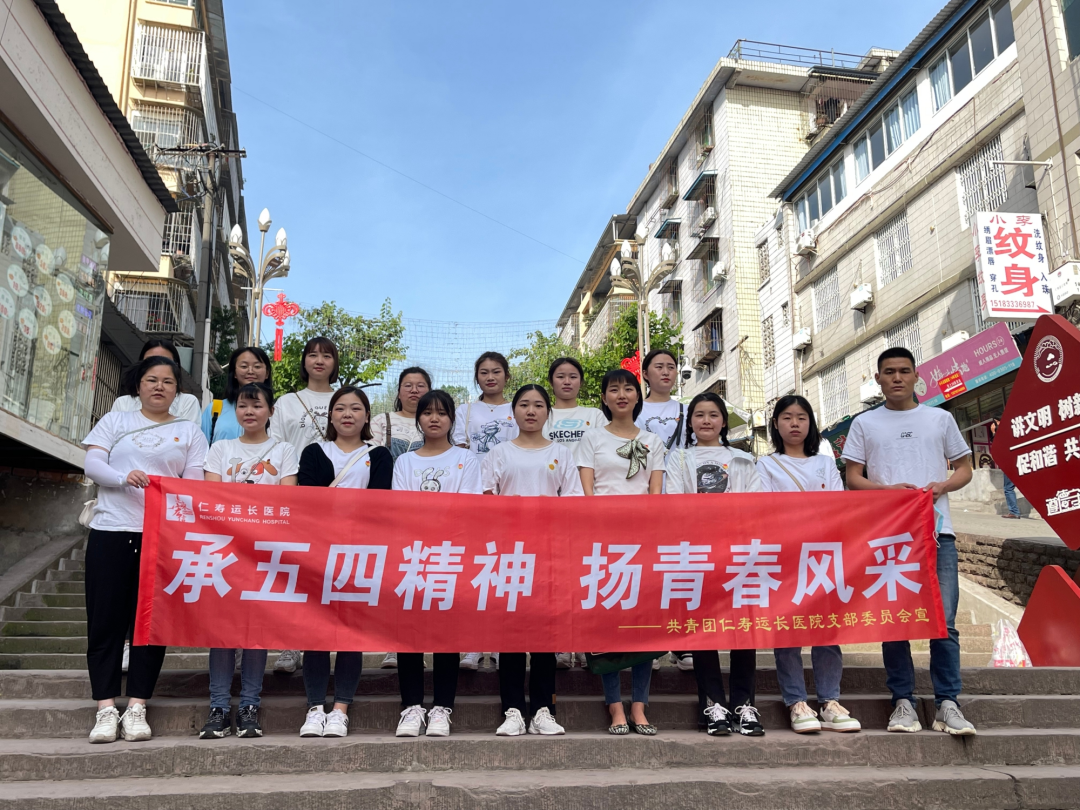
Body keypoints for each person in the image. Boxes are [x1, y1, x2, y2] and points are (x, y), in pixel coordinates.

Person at [843, 346, 976, 736]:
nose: (897, 378)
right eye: (889, 372)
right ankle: (902, 702)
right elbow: (853, 478)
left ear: (917, 376)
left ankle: (948, 703)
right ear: (878, 379)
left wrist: (942, 486)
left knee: (944, 621)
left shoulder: (940, 418)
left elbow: (964, 468)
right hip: (888, 537)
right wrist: (887, 492)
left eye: (904, 371)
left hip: (938, 532)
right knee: (894, 619)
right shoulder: (865, 423)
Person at [82, 356, 208, 744]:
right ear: (138, 386)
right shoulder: (115, 421)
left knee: (150, 625)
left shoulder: (189, 430)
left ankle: (137, 705)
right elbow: (92, 463)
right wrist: (123, 477)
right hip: (111, 530)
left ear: (177, 390)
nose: (159, 387)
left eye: (168, 382)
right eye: (151, 380)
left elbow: (193, 484)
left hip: (161, 538)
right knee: (105, 622)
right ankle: (105, 708)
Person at [199, 382, 298, 740]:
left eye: (257, 405)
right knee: (222, 629)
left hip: (265, 550)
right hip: (225, 548)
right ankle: (218, 706)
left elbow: (287, 500)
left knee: (256, 628)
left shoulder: (284, 450)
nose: (249, 411)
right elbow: (212, 496)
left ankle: (250, 705)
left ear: (271, 411)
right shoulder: (220, 449)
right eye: (243, 405)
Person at [757, 395, 861, 734]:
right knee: (787, 628)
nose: (795, 423)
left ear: (811, 423)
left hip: (821, 555)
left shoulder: (825, 464)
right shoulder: (766, 465)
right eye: (787, 417)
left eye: (801, 417)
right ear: (776, 424)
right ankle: (796, 701)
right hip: (784, 556)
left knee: (826, 627)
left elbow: (837, 508)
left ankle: (830, 700)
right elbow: (766, 510)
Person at [482, 384, 582, 736]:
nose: (531, 411)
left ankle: (543, 710)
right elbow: (486, 503)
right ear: (513, 412)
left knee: (545, 637)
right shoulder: (498, 453)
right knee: (510, 637)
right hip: (509, 556)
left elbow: (573, 502)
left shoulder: (561, 453)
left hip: (549, 555)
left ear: (547, 413)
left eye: (538, 405)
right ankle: (512, 710)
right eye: (524, 404)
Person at [296, 386, 393, 738]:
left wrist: (338, 507)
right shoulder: (313, 452)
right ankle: (314, 707)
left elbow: (378, 504)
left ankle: (340, 709)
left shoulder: (378, 455)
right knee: (316, 630)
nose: (347, 414)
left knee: (351, 630)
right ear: (331, 416)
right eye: (340, 408)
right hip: (318, 551)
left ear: (367, 416)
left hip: (359, 552)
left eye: (355, 408)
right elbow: (308, 500)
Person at [666, 392, 765, 737]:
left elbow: (756, 505)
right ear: (690, 422)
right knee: (703, 627)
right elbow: (674, 503)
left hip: (738, 553)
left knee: (744, 628)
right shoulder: (678, 458)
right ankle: (713, 704)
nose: (706, 421)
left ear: (724, 421)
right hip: (696, 553)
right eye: (699, 415)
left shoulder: (742, 459)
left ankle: (744, 704)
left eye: (713, 414)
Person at [575, 369, 664, 735]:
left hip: (642, 540)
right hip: (602, 542)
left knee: (643, 625)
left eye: (629, 388)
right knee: (607, 624)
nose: (622, 394)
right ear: (604, 398)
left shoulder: (653, 440)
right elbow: (587, 491)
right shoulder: (591, 438)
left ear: (638, 396)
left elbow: (655, 493)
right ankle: (614, 706)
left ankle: (639, 706)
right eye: (614, 389)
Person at [393, 390, 481, 737]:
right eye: (427, 412)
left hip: (451, 555)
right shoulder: (405, 462)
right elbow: (402, 510)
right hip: (413, 556)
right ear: (418, 419)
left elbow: (468, 508)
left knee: (447, 634)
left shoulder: (466, 459)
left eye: (442, 413)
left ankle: (443, 707)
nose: (434, 418)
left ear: (451, 419)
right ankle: (411, 707)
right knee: (409, 635)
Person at [269, 336, 338, 674]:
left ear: (335, 363)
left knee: (330, 572)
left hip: (337, 497)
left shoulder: (345, 398)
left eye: (326, 355)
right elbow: (276, 448)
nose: (319, 361)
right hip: (295, 494)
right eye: (312, 355)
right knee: (294, 570)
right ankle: (290, 645)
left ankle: (331, 638)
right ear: (304, 361)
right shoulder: (287, 402)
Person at [453, 351, 517, 670]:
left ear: (507, 375)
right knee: (473, 571)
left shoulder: (518, 407)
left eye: (496, 371)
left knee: (504, 570)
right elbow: (460, 451)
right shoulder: (464, 411)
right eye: (483, 372)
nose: (490, 377)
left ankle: (502, 643)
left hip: (509, 499)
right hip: (474, 498)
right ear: (476, 377)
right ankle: (472, 644)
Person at [544, 356, 605, 669]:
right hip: (548, 506)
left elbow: (601, 455)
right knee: (555, 576)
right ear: (551, 381)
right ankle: (560, 643)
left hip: (586, 504)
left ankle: (584, 641)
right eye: (560, 376)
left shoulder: (594, 415)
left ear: (581, 381)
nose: (566, 381)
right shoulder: (542, 412)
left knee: (585, 574)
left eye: (572, 376)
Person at [635, 349, 692, 671]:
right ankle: (652, 643)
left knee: (679, 568)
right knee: (649, 572)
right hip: (643, 497)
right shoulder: (635, 409)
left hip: (680, 498)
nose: (666, 372)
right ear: (645, 373)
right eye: (659, 367)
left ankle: (681, 644)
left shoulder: (687, 409)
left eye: (671, 366)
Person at [110, 339, 201, 424]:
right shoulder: (122, 403)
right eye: (150, 361)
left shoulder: (188, 402)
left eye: (165, 361)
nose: (158, 366)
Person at [200, 346, 273, 445]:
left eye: (257, 366)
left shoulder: (277, 412)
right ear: (234, 373)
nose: (250, 371)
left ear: (267, 373)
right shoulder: (215, 408)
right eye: (244, 366)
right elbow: (201, 449)